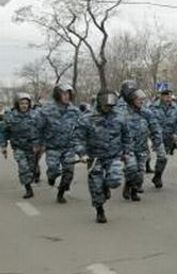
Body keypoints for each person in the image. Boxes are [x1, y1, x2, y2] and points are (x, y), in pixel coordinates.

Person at [74, 90, 130, 223]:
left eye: (111, 106)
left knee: (115, 180)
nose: (108, 109)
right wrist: (82, 153)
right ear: (99, 103)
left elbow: (126, 137)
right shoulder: (87, 118)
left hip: (114, 156)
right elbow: (78, 138)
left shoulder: (120, 117)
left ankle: (107, 186)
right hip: (95, 158)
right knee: (96, 187)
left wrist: (126, 152)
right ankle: (100, 210)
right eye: (106, 106)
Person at [119, 81, 165, 202]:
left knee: (140, 173)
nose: (141, 101)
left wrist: (158, 145)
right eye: (138, 98)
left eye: (141, 98)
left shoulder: (146, 113)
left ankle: (134, 190)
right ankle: (128, 186)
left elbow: (155, 129)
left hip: (142, 148)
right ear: (130, 99)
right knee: (131, 168)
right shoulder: (120, 113)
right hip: (127, 149)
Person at [37, 83, 81, 204]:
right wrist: (39, 144)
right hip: (53, 147)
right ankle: (51, 177)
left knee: (68, 172)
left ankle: (61, 193)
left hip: (69, 147)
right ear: (57, 95)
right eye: (64, 94)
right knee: (53, 169)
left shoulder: (74, 111)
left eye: (68, 94)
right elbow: (39, 128)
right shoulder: (46, 110)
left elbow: (80, 128)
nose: (67, 96)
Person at [1, 93, 41, 199]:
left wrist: (40, 145)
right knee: (23, 168)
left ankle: (35, 173)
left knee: (31, 169)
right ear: (17, 104)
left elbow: (42, 130)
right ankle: (28, 189)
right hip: (19, 148)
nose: (24, 105)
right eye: (22, 103)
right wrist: (3, 146)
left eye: (26, 103)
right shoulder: (10, 116)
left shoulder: (36, 115)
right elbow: (4, 132)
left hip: (32, 147)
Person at [151, 87, 177, 188]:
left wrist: (176, 133)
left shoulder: (175, 108)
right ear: (161, 96)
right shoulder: (153, 107)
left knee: (163, 157)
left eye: (170, 95)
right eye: (166, 96)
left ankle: (157, 175)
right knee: (162, 156)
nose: (169, 98)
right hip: (157, 136)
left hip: (169, 137)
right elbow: (149, 122)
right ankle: (157, 177)